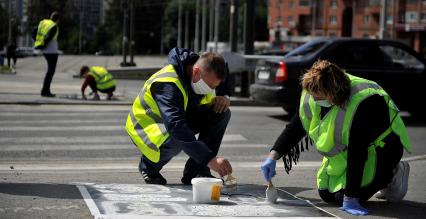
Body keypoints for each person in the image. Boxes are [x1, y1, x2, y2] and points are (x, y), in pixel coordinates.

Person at [261, 60, 411, 216]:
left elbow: (357, 152)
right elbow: (295, 128)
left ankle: (393, 173)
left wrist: (350, 197)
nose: (315, 101)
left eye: (319, 97)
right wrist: (273, 156)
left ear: (334, 93)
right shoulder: (313, 89)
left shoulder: (364, 102)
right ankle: (375, 180)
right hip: (346, 154)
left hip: (382, 150)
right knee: (326, 194)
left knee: (343, 197)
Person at [125, 47, 233, 185]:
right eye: (210, 86)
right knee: (178, 137)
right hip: (148, 127)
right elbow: (176, 126)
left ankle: (197, 171)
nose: (211, 90)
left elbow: (223, 67)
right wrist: (210, 159)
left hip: (178, 118)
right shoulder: (168, 84)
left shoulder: (203, 68)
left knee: (222, 113)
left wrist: (224, 95)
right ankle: (148, 166)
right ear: (196, 72)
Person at [34, 11, 60, 97]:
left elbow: (34, 31)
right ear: (58, 20)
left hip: (45, 51)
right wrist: (43, 44)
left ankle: (45, 90)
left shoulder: (43, 22)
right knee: (50, 71)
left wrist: (38, 42)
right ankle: (45, 91)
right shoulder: (54, 26)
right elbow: (49, 37)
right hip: (51, 51)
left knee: (50, 71)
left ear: (51, 16)